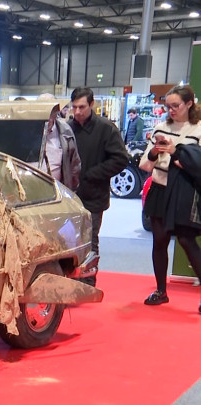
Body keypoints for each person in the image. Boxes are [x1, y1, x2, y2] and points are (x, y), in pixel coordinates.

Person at [138, 84, 201, 312]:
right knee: (159, 241)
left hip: (184, 190)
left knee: (187, 241)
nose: (171, 110)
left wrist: (177, 152)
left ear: (189, 104)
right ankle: (160, 291)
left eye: (176, 105)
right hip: (159, 187)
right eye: (168, 106)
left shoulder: (198, 129)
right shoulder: (160, 127)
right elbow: (145, 165)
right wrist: (155, 152)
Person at [68, 86, 129, 286]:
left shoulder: (106, 128)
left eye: (82, 107)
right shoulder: (68, 127)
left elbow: (121, 159)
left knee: (90, 240)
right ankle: (70, 280)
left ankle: (88, 282)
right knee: (69, 241)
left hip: (94, 195)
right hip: (69, 196)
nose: (77, 112)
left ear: (92, 105)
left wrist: (93, 174)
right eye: (74, 107)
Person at [38, 93, 81, 190]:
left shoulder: (65, 131)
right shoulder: (26, 131)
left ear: (56, 112)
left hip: (57, 191)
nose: (47, 119)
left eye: (50, 113)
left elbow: (74, 164)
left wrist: (71, 190)